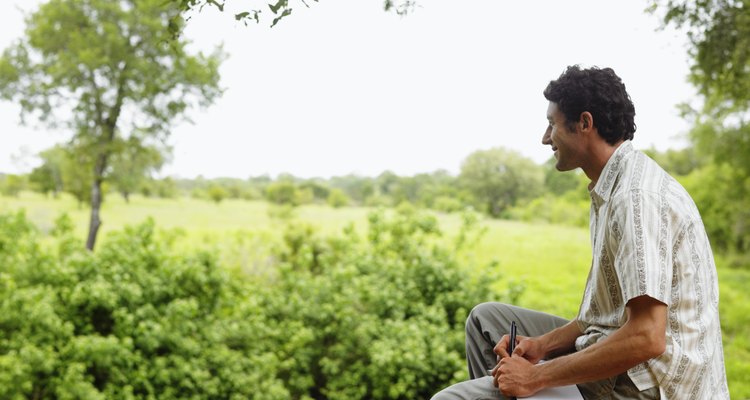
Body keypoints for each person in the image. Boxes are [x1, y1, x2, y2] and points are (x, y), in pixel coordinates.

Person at [431, 65, 729, 399]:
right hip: (618, 351)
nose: (545, 138)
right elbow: (603, 317)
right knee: (486, 321)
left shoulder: (636, 199)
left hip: (645, 387)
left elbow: (647, 336)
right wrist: (541, 345)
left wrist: (536, 376)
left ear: (584, 123)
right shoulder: (611, 186)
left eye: (551, 124)